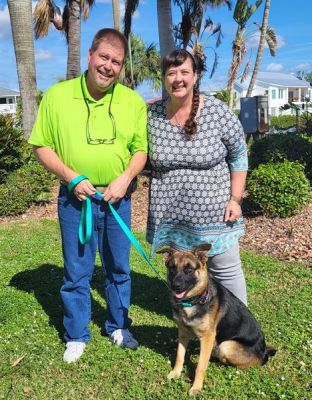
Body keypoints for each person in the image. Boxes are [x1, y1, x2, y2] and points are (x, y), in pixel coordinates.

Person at [29, 28, 148, 362]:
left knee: (119, 268)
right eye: (104, 58)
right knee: (77, 271)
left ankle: (118, 326)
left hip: (118, 200)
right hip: (75, 199)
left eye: (116, 62)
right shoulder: (57, 96)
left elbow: (140, 150)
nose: (109, 67)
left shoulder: (132, 101)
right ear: (91, 56)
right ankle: (77, 334)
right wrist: (70, 177)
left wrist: (125, 178)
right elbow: (41, 144)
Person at [146, 49, 248, 305]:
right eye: (171, 73)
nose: (177, 78)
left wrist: (235, 198)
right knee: (182, 276)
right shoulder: (152, 115)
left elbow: (239, 155)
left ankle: (239, 331)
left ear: (196, 75)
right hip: (171, 219)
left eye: (184, 72)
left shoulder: (217, 112)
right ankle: (195, 328)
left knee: (225, 273)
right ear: (164, 77)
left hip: (216, 219)